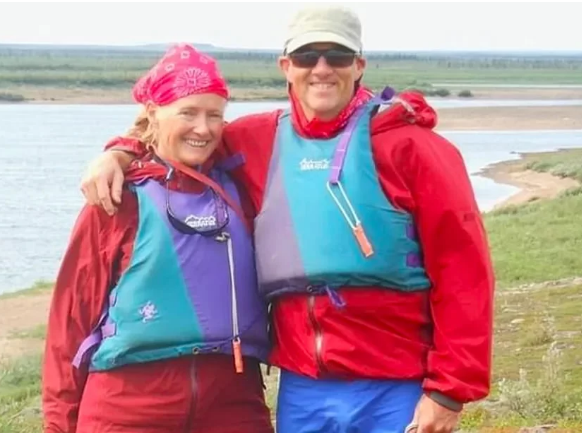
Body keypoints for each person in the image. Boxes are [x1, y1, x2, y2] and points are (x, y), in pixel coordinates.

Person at [80, 6, 495, 433]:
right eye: (306, 57)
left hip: (398, 382)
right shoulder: (256, 140)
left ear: (358, 65)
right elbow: (181, 140)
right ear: (285, 67)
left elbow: (464, 272)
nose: (321, 69)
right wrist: (120, 151)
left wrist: (449, 390)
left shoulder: (414, 148)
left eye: (336, 56)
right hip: (304, 384)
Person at [42, 43, 273, 433]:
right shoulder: (116, 199)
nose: (203, 128)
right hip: (127, 405)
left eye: (215, 115)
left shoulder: (241, 185)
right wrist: (58, 424)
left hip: (232, 400)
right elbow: (70, 322)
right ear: (153, 113)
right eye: (188, 112)